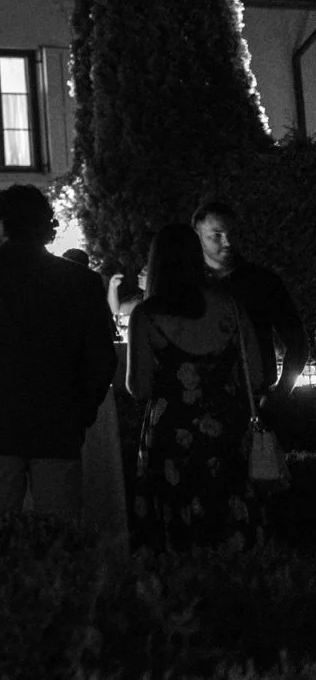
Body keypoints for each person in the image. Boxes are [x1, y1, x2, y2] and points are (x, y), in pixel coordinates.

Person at [0, 185, 116, 523]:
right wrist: (81, 412)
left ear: (1, 223)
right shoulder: (81, 279)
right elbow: (101, 358)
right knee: (61, 530)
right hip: (58, 420)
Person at [128, 222, 266, 551]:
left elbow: (140, 387)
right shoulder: (230, 308)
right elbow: (258, 376)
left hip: (171, 435)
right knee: (226, 515)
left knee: (174, 524)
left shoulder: (147, 315)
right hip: (226, 429)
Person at [193, 200, 307, 413]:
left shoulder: (263, 282)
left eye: (232, 233)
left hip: (253, 400)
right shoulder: (190, 284)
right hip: (199, 401)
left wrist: (280, 394)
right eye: (216, 235)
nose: (227, 242)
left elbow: (298, 343)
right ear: (197, 236)